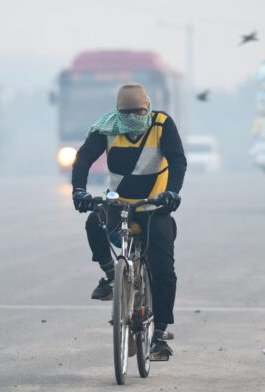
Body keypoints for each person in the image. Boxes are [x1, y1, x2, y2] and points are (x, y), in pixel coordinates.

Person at [71, 82, 187, 360]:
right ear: (118, 113)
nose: (134, 118)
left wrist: (172, 192)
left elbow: (178, 160)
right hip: (119, 204)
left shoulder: (162, 125)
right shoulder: (108, 128)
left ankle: (159, 335)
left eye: (139, 112)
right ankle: (112, 276)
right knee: (93, 223)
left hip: (154, 208)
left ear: (147, 108)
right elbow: (83, 158)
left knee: (163, 271)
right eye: (127, 113)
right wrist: (79, 190)